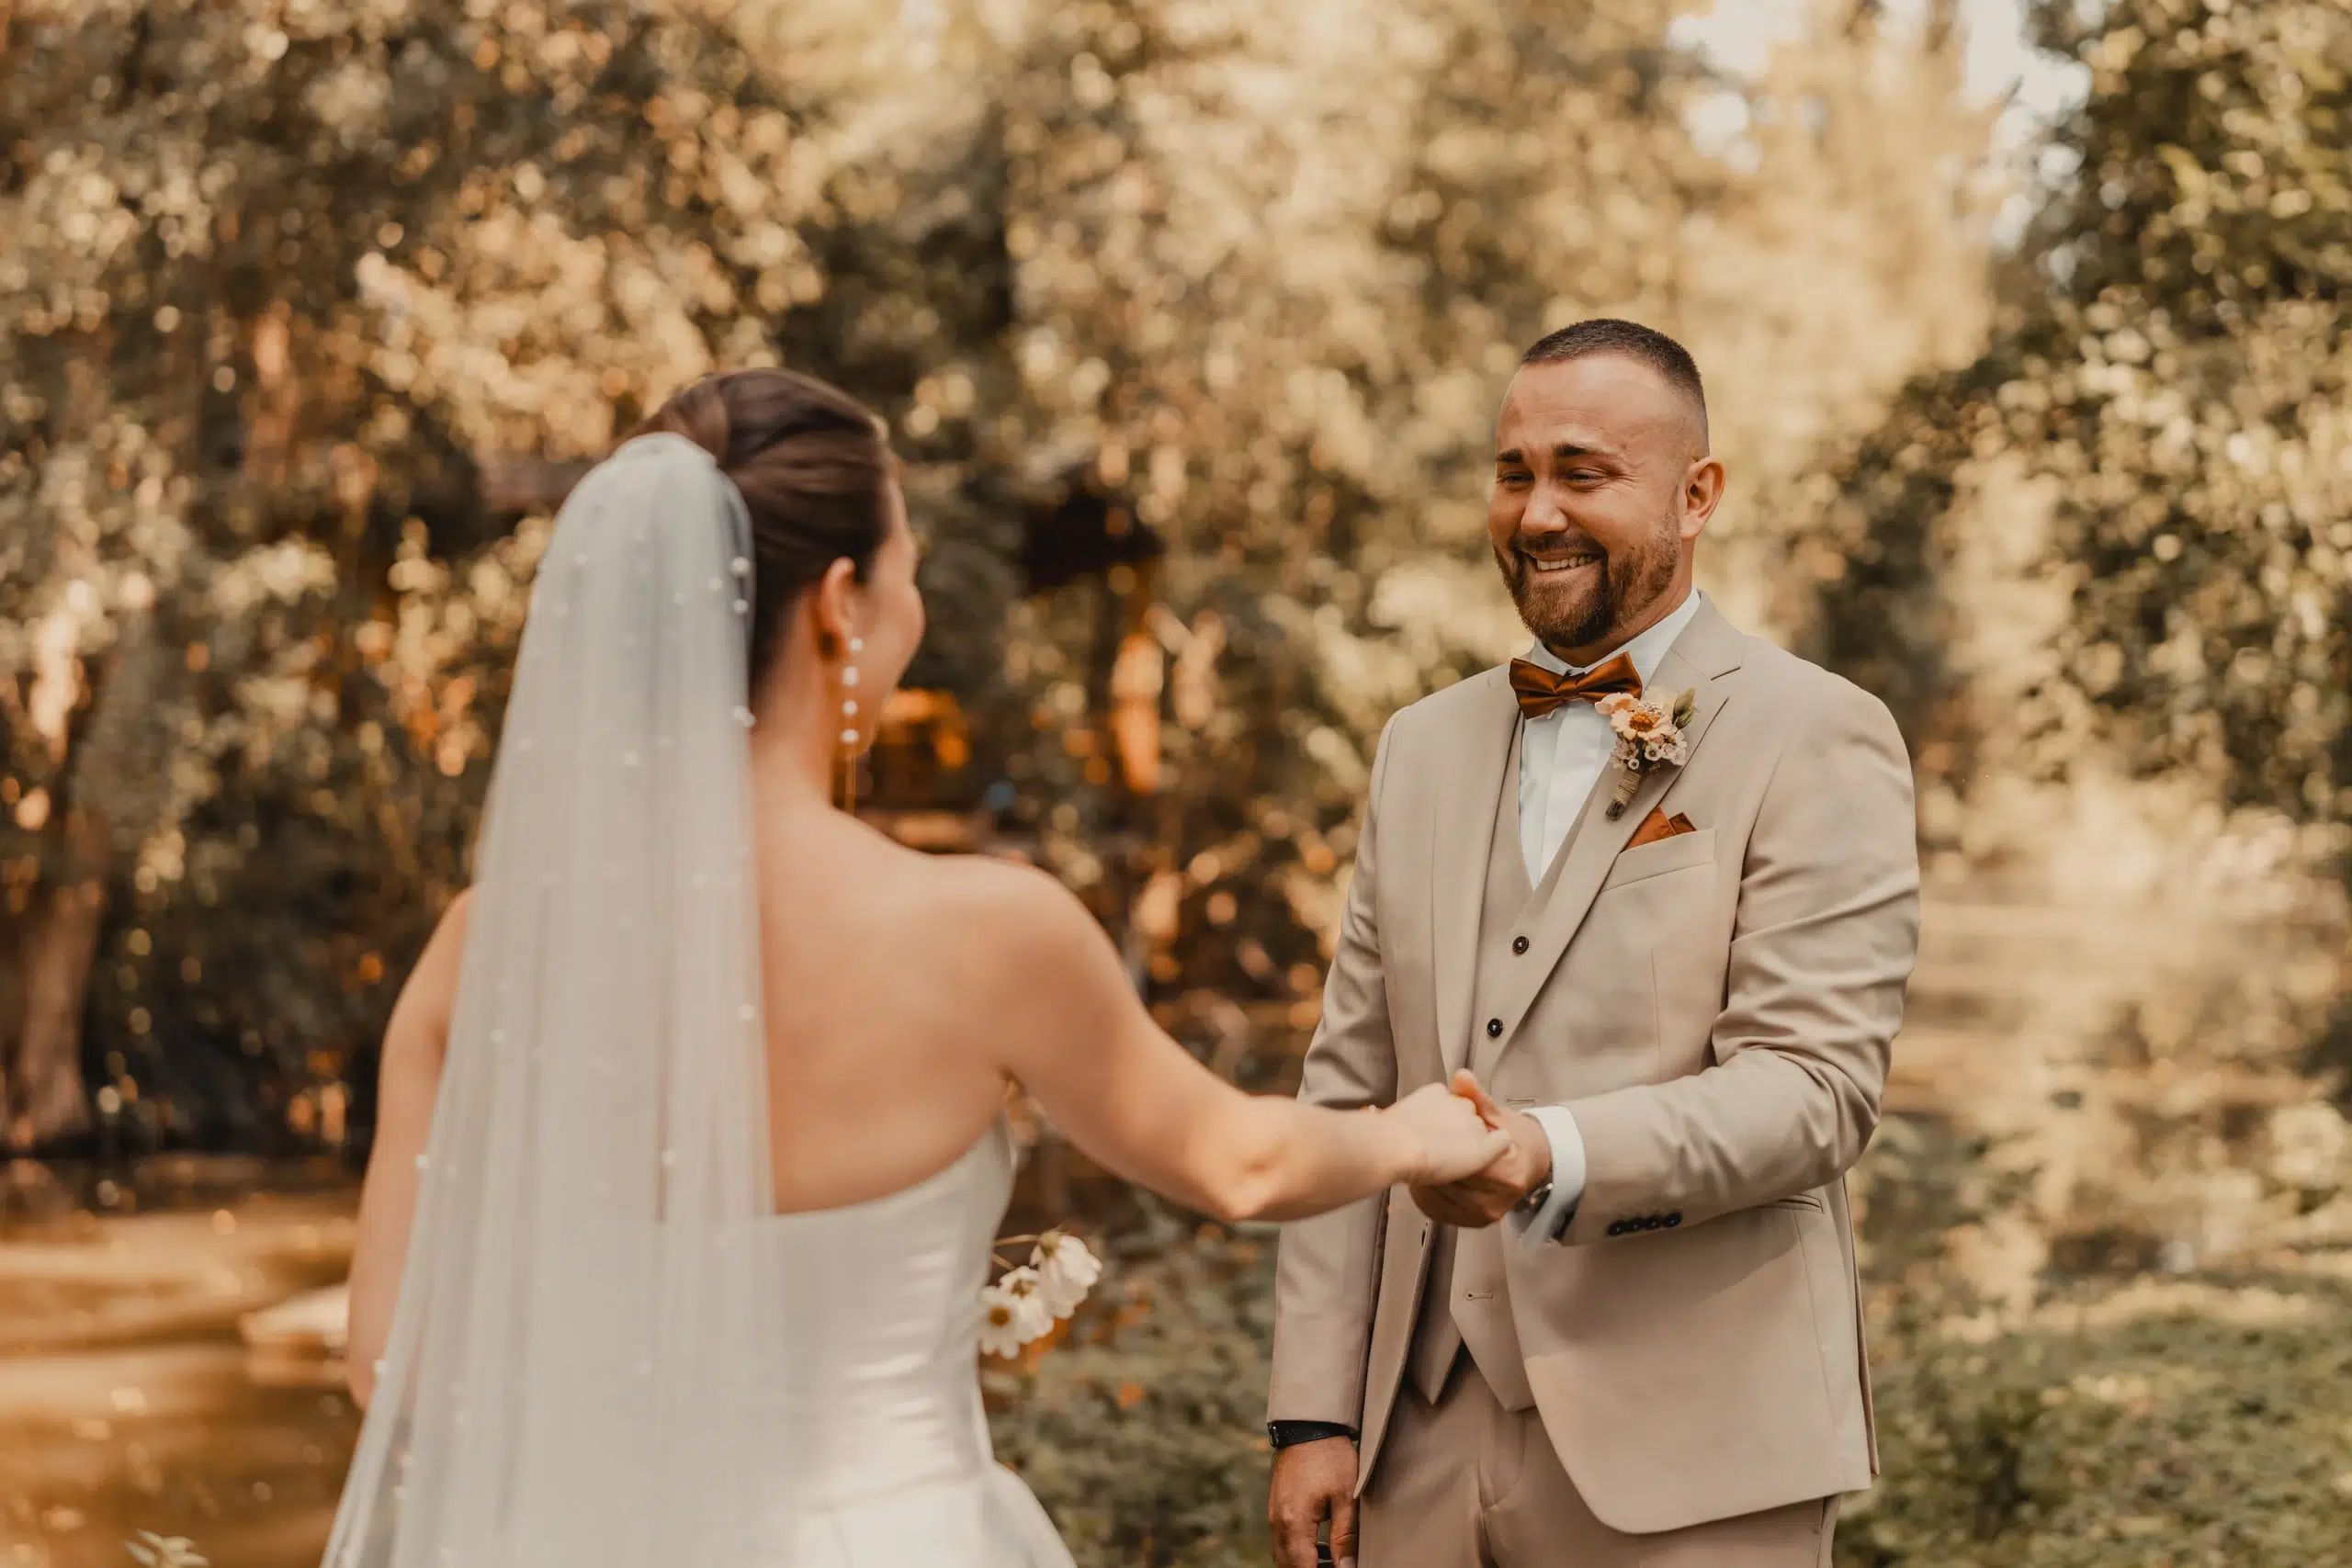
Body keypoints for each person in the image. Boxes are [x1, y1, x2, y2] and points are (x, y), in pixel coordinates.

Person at [326, 367, 1510, 1568]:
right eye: (908, 571)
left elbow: (388, 1360)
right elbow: (1240, 1161)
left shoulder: (486, 948)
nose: (917, 608)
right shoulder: (986, 931)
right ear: (842, 600)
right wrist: (1414, 1135)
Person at [1266, 319, 1921, 1568]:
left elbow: (1814, 1089)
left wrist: (1545, 1151)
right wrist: (1314, 1409)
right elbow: (1346, 1085)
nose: (1537, 511)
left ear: (1696, 495)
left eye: (1584, 471)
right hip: (1417, 1448)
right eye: (1514, 472)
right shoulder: (1421, 744)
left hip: (1694, 1454)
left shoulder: (1818, 732)